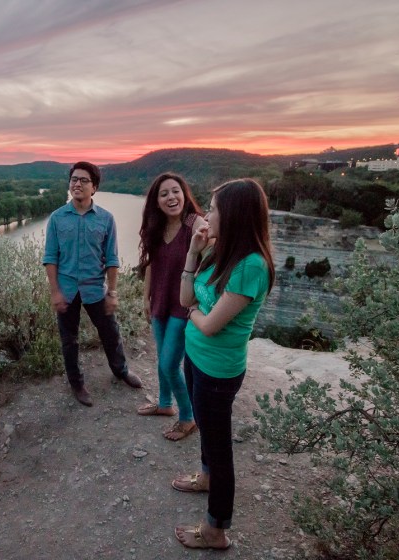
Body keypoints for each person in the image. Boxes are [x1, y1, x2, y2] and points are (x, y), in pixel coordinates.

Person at [171, 179, 275, 550]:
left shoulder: (251, 266)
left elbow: (211, 325)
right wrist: (192, 253)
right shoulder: (219, 251)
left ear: (233, 215)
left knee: (220, 448)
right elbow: (185, 298)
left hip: (218, 370)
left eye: (213, 208)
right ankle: (206, 477)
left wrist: (195, 313)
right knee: (207, 431)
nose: (206, 214)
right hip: (196, 358)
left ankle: (216, 529)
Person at [43, 161, 143, 407]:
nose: (77, 184)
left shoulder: (106, 219)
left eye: (83, 180)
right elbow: (50, 258)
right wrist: (55, 292)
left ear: (94, 187)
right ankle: (77, 384)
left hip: (95, 288)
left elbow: (112, 259)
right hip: (67, 290)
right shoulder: (57, 218)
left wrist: (113, 292)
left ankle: (121, 370)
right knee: (69, 340)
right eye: (74, 179)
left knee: (110, 332)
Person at [136, 173, 206, 441]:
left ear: (184, 194)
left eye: (175, 191)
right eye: (163, 194)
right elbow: (151, 264)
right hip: (160, 302)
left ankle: (188, 417)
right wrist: (146, 297)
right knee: (162, 357)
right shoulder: (157, 226)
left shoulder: (193, 223)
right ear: (157, 201)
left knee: (169, 363)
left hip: (183, 306)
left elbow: (211, 248)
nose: (171, 197)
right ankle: (165, 403)